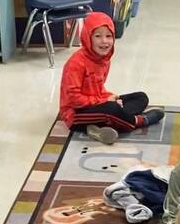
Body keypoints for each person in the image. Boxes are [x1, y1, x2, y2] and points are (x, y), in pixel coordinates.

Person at [58, 13, 164, 145]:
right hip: (75, 113)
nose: (104, 41)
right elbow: (74, 100)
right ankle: (137, 121)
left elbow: (97, 88)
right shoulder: (76, 63)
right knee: (112, 109)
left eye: (109, 36)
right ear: (87, 37)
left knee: (141, 97)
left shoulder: (104, 59)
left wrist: (110, 97)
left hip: (96, 105)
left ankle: (96, 128)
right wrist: (105, 101)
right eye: (98, 36)